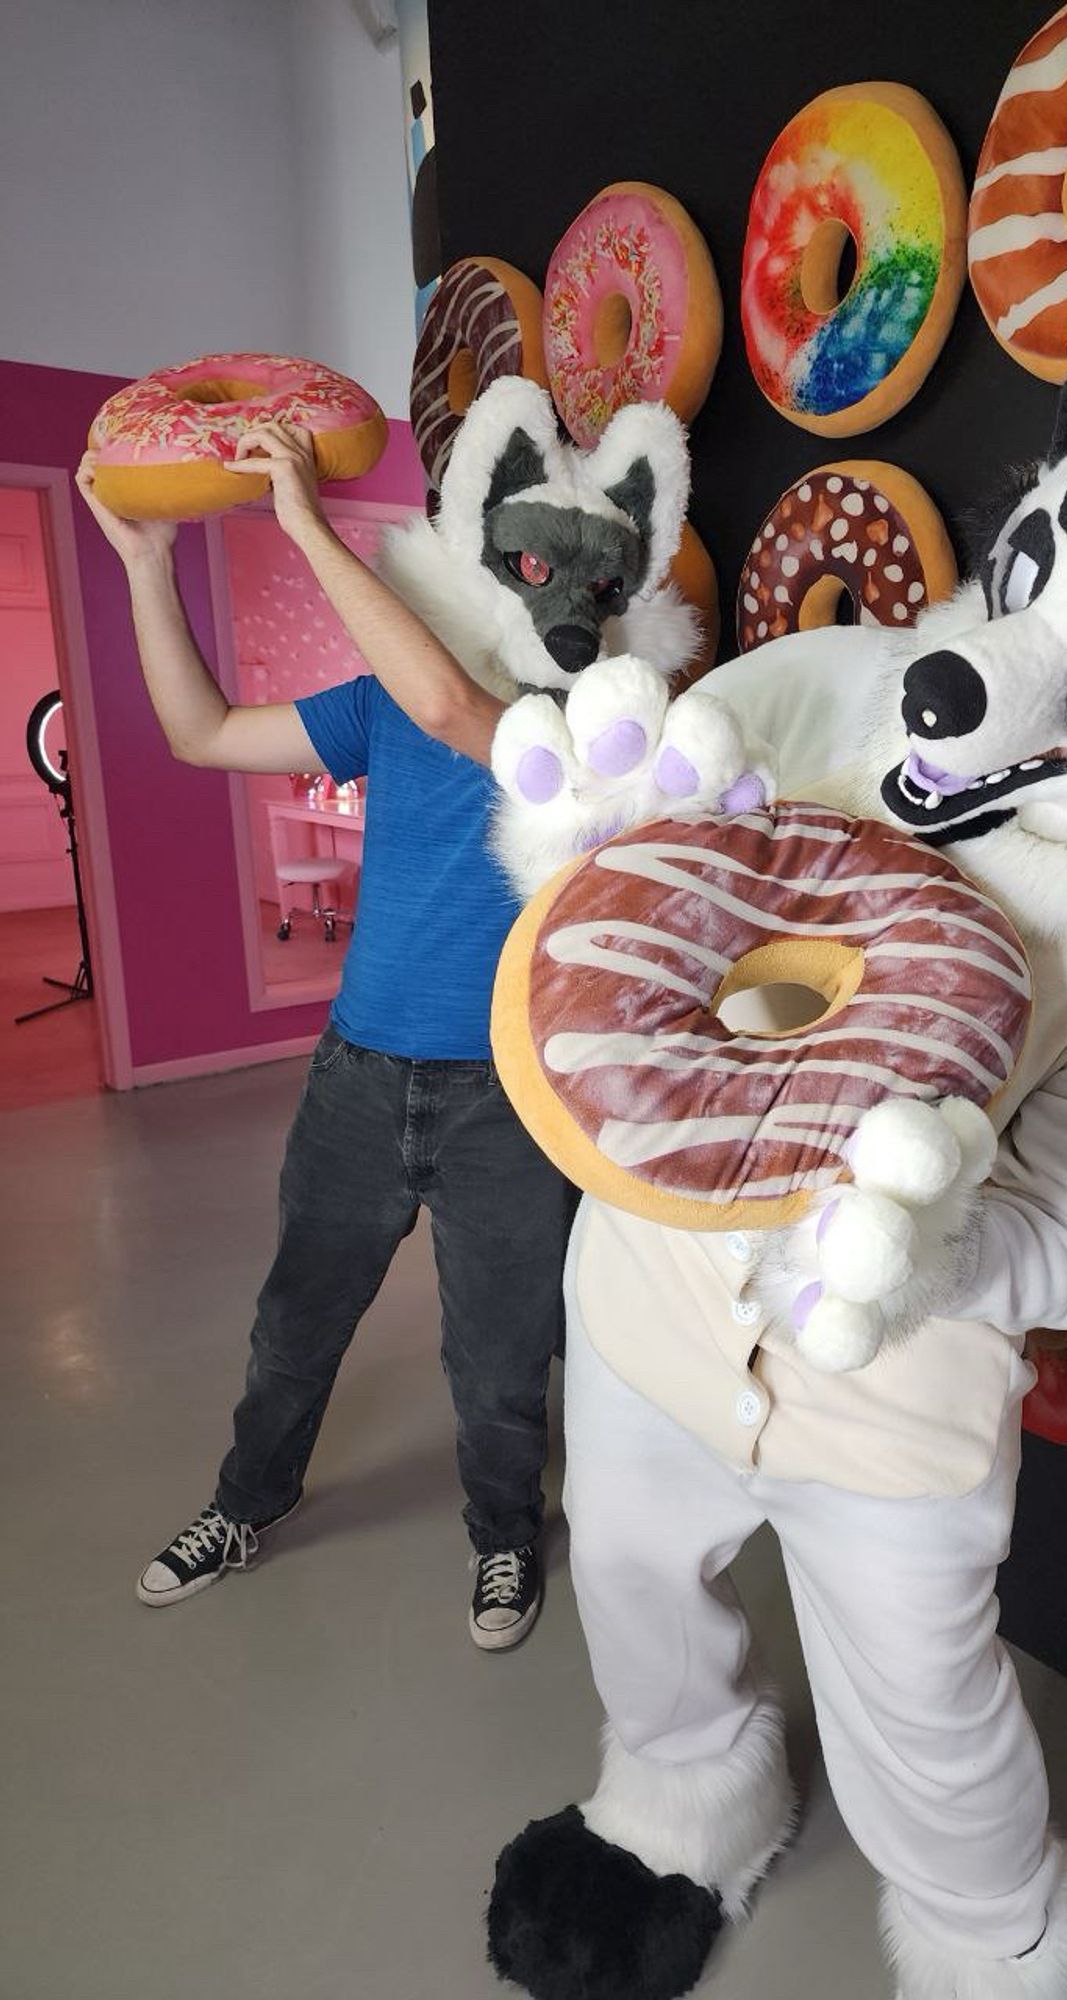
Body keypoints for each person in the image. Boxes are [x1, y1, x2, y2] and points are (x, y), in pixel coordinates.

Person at [78, 425, 575, 1650]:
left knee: (500, 1361)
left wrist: (303, 522)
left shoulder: (573, 716)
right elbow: (202, 734)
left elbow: (462, 707)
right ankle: (248, 1501)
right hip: (357, 1078)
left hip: (510, 1096)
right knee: (294, 1323)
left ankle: (505, 1534)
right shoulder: (376, 711)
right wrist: (147, 567)